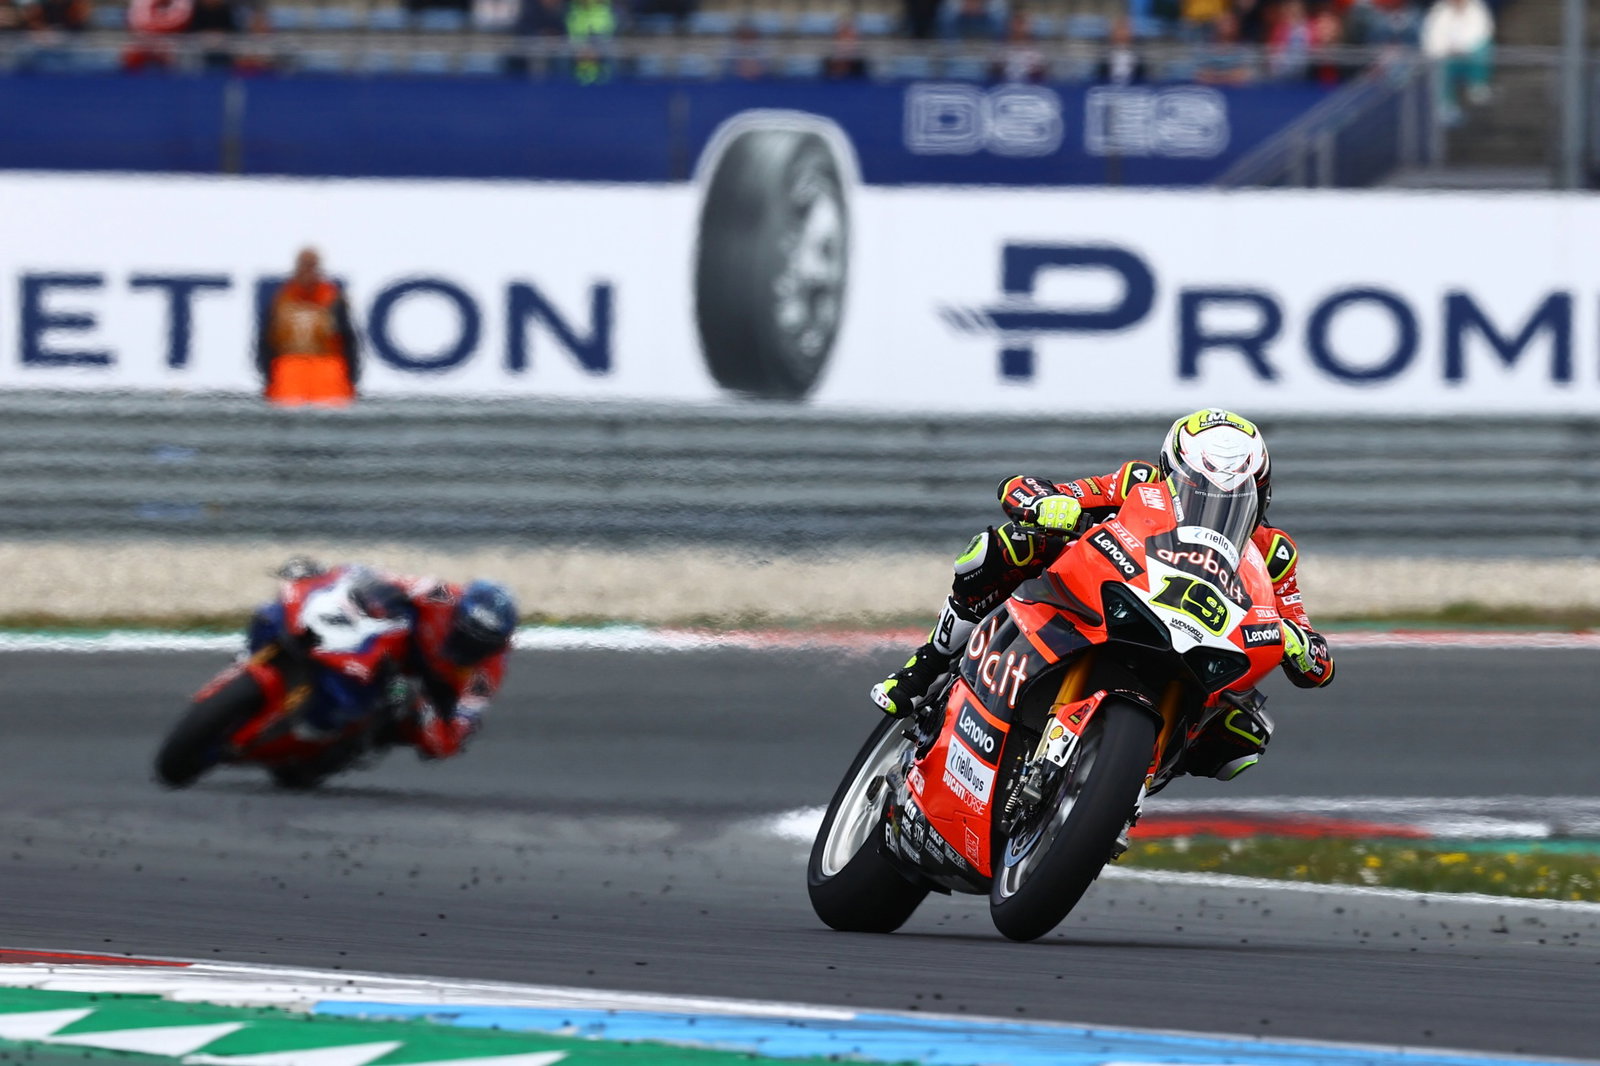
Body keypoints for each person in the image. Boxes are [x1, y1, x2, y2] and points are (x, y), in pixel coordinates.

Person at [870, 409, 1334, 782]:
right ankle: (927, 666)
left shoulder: (1274, 553)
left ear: (1261, 495)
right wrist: (1044, 503)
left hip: (1202, 645)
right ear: (1172, 475)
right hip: (1116, 596)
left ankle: (1130, 775)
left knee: (1246, 730)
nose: (1214, 508)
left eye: (1234, 499)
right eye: (1198, 492)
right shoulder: (1137, 483)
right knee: (1011, 545)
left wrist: (1299, 645)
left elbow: (1314, 654)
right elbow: (1029, 489)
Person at [249, 560, 519, 761]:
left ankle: (357, 734)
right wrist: (326, 578)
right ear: (458, 612)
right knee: (379, 609)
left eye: (479, 644)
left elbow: (452, 739)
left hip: (415, 688)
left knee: (422, 725)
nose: (467, 648)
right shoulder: (443, 594)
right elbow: (375, 577)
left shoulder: (485, 674)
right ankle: (307, 647)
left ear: (498, 646)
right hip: (394, 649)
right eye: (465, 635)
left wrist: (422, 709)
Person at [256, 247, 360, 407]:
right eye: (304, 265)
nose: (308, 271)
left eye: (312, 266)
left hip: (327, 373)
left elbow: (349, 341)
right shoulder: (281, 300)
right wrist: (269, 377)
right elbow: (266, 341)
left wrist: (350, 378)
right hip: (289, 373)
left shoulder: (333, 300)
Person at [1421, 0, 1493, 126]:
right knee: (1438, 66)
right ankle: (1446, 107)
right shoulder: (1439, 11)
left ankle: (1477, 88)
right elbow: (1431, 41)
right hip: (1448, 58)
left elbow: (1484, 32)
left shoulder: (1477, 7)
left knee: (1484, 48)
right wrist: (1447, 50)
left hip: (1470, 55)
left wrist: (1463, 48)